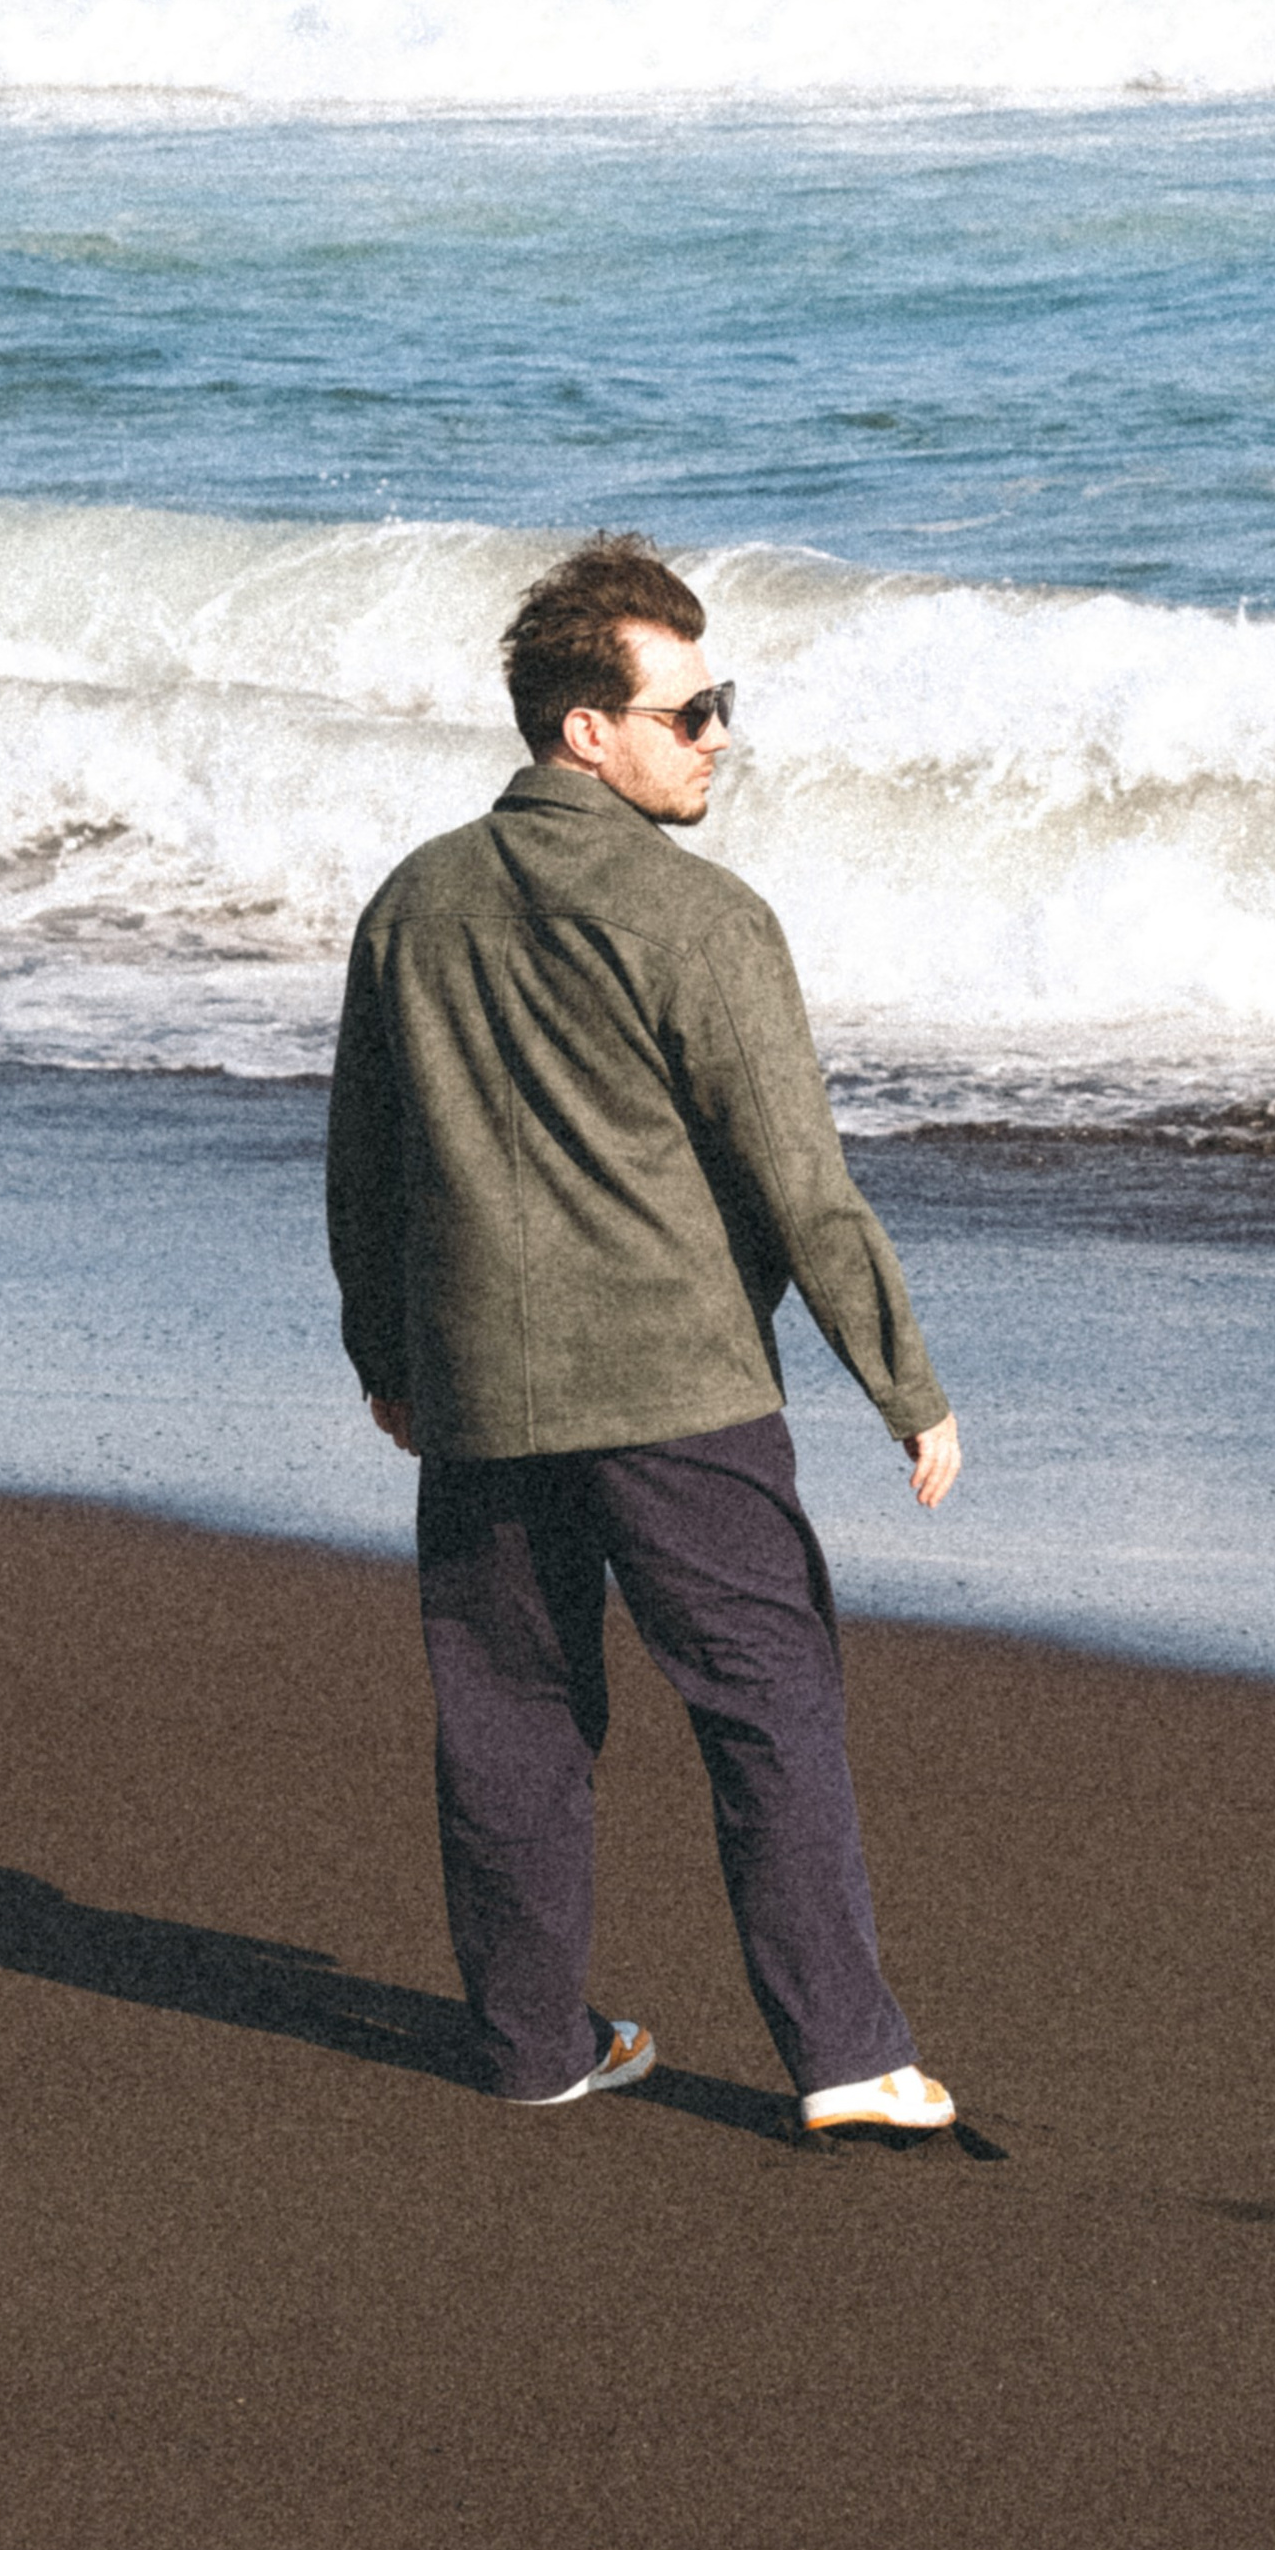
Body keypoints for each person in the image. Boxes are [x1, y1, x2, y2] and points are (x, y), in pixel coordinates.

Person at [326, 532, 964, 2134]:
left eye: (718, 700)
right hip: (679, 1391)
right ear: (584, 732)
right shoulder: (702, 922)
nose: (720, 736)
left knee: (510, 1721)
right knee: (767, 1701)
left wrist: (388, 1360)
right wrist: (907, 1386)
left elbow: (361, 1174)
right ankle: (845, 2056)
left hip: (477, 1385)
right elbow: (803, 1189)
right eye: (690, 711)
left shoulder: (414, 906)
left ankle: (537, 2045)